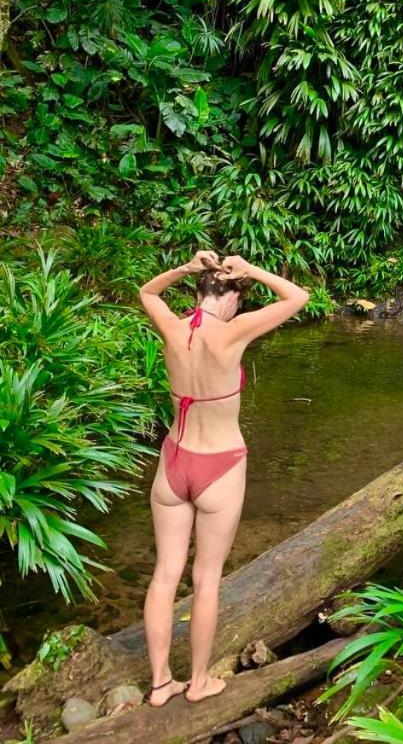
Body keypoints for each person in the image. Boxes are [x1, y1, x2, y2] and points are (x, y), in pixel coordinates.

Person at [139, 250, 309, 706]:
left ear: (197, 291)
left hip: (173, 463)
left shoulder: (173, 327)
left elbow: (147, 291)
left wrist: (186, 268)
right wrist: (252, 270)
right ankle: (197, 682)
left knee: (165, 576)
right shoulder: (234, 332)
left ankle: (159, 685)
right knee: (207, 579)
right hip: (220, 465)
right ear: (233, 298)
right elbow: (298, 296)